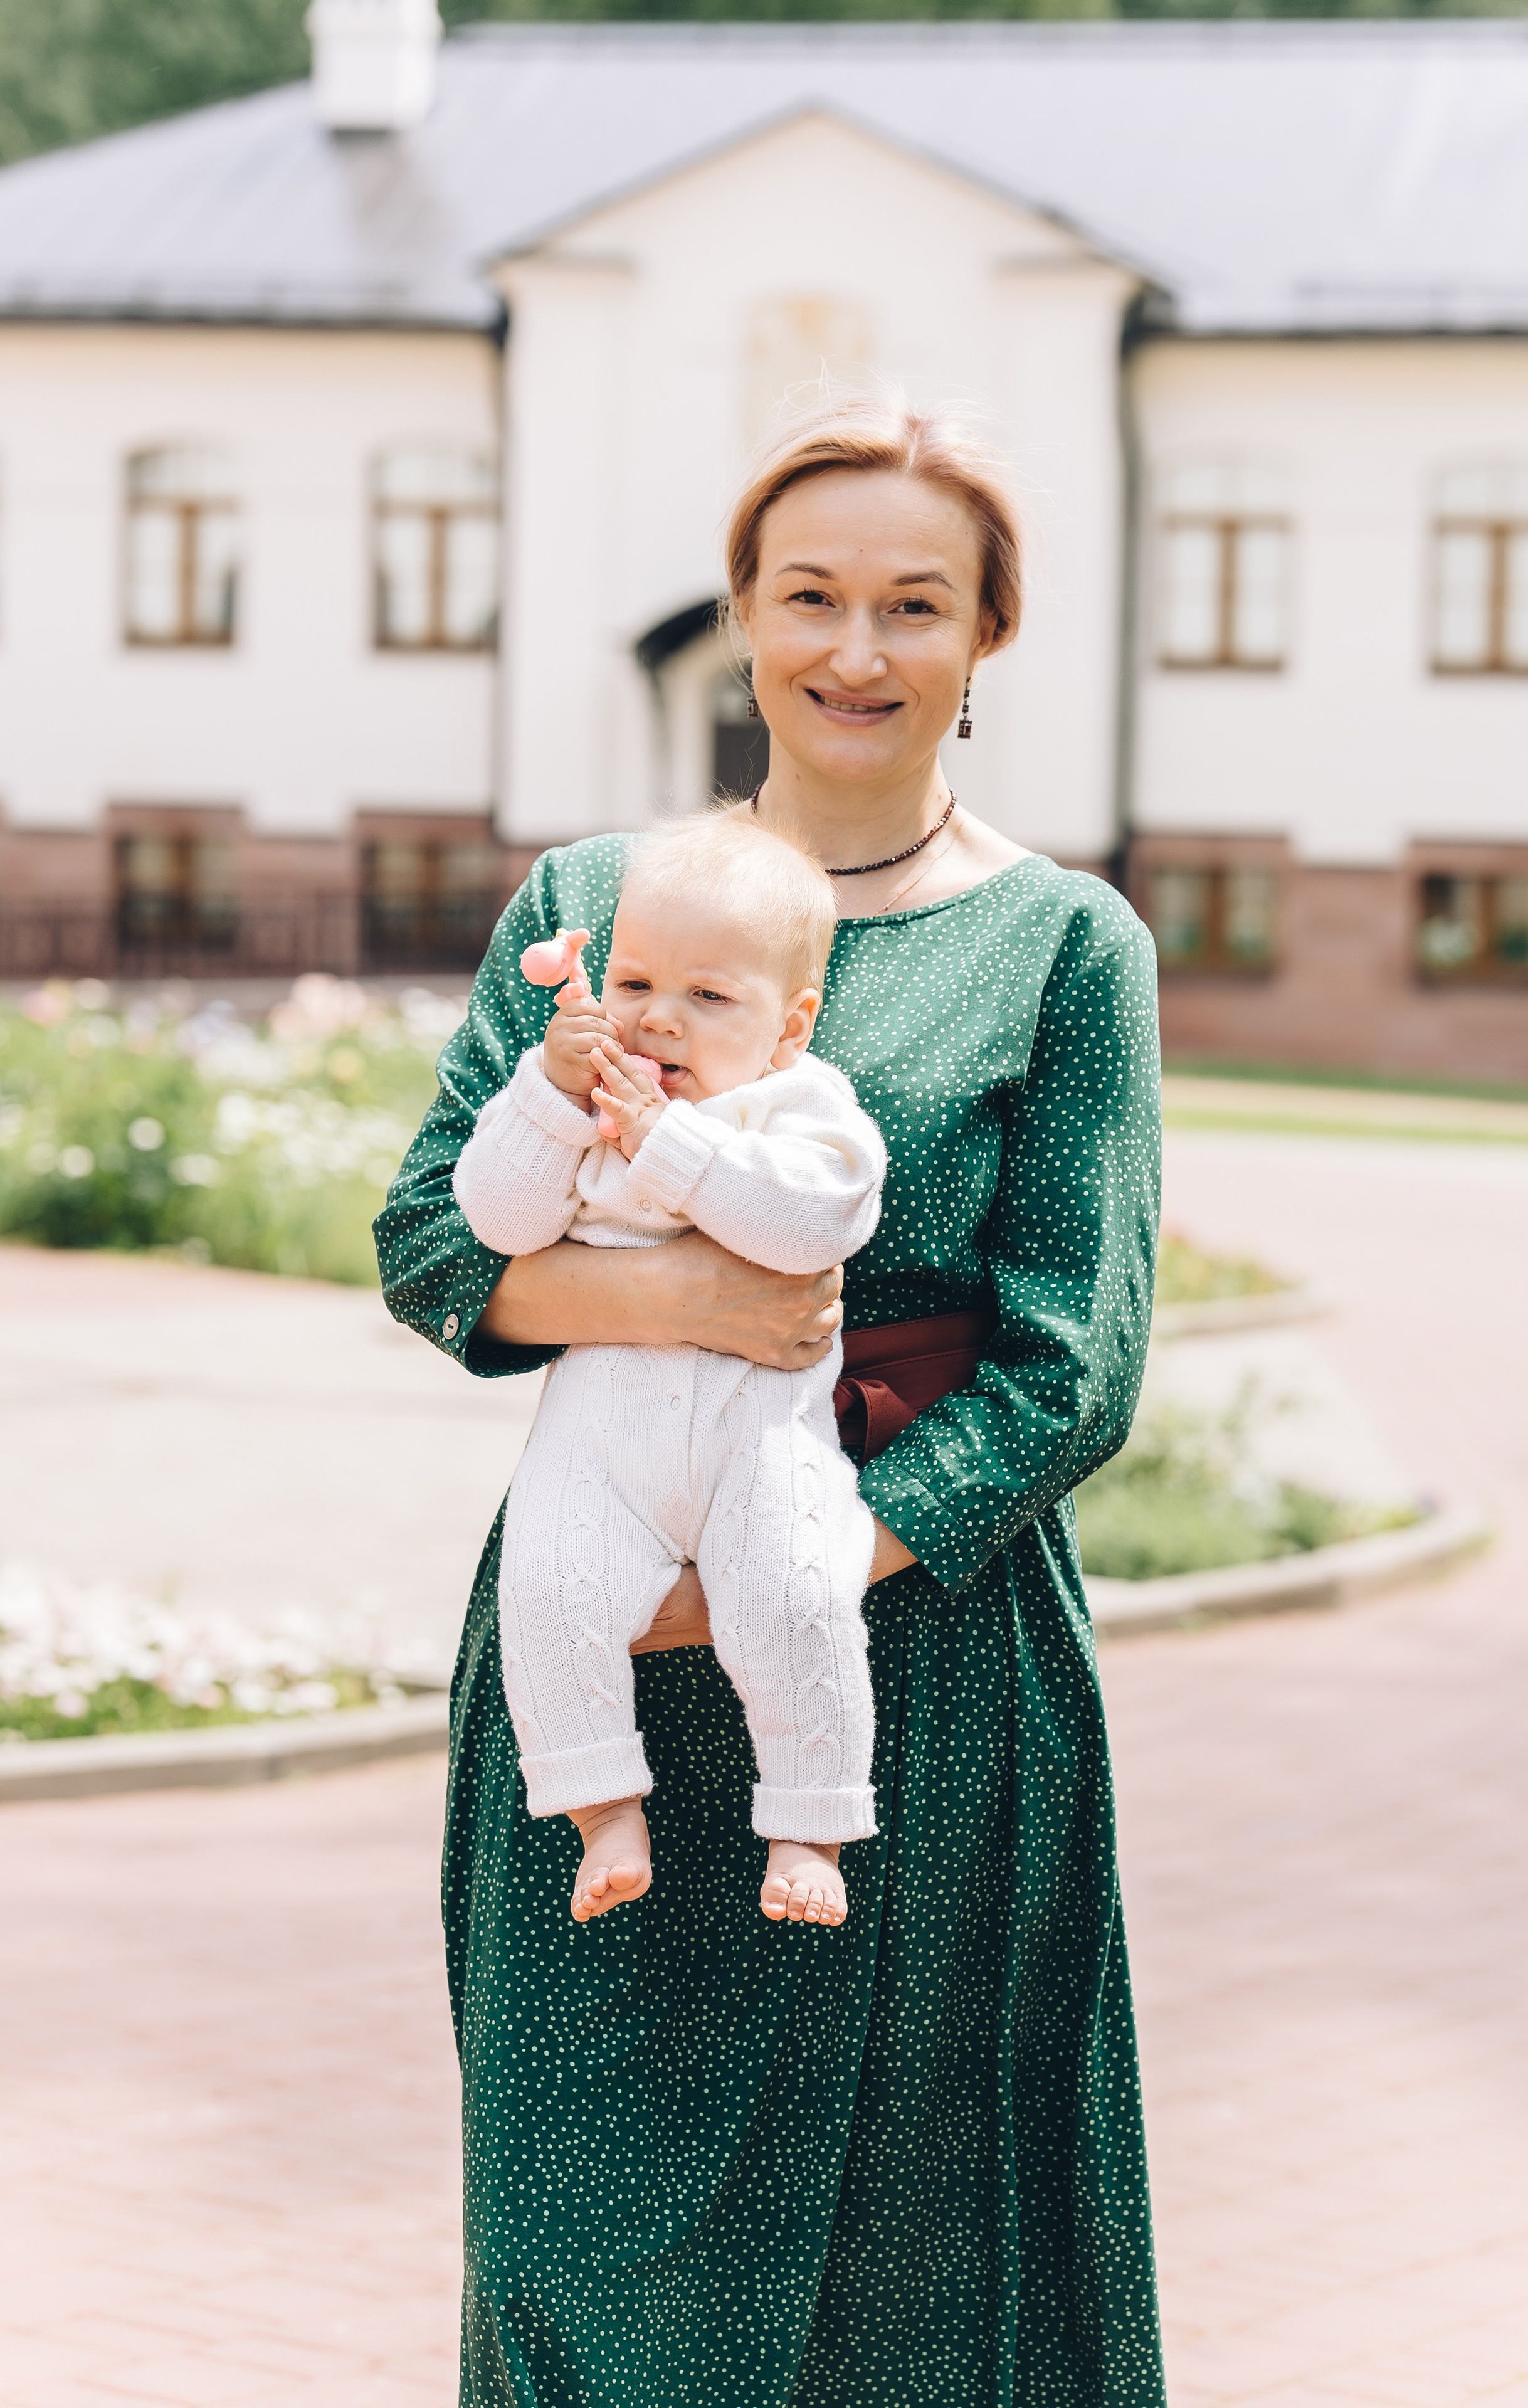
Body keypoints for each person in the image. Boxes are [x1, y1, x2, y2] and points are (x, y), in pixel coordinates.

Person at [376, 394, 1167, 2406]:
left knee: (914, 2268)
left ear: (990, 636)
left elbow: (1070, 1367)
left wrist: (776, 1581)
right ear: (741, 613)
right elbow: (432, 1252)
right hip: (598, 1657)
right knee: (577, 2232)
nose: (857, 649)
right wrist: (692, 1301)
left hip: (919, 1671)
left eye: (917, 603)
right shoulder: (583, 901)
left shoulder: (1069, 946)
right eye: (810, 595)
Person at [449, 813, 888, 1929]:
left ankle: (811, 1818)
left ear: (790, 1028)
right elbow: (494, 1218)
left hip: (762, 1438)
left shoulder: (801, 1107)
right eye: (637, 980)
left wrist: (668, 1146)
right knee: (546, 1590)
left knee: (799, 1596)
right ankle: (601, 1806)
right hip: (602, 1436)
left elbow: (813, 1224)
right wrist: (547, 1102)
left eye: (708, 997)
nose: (656, 1017)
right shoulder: (584, 1105)